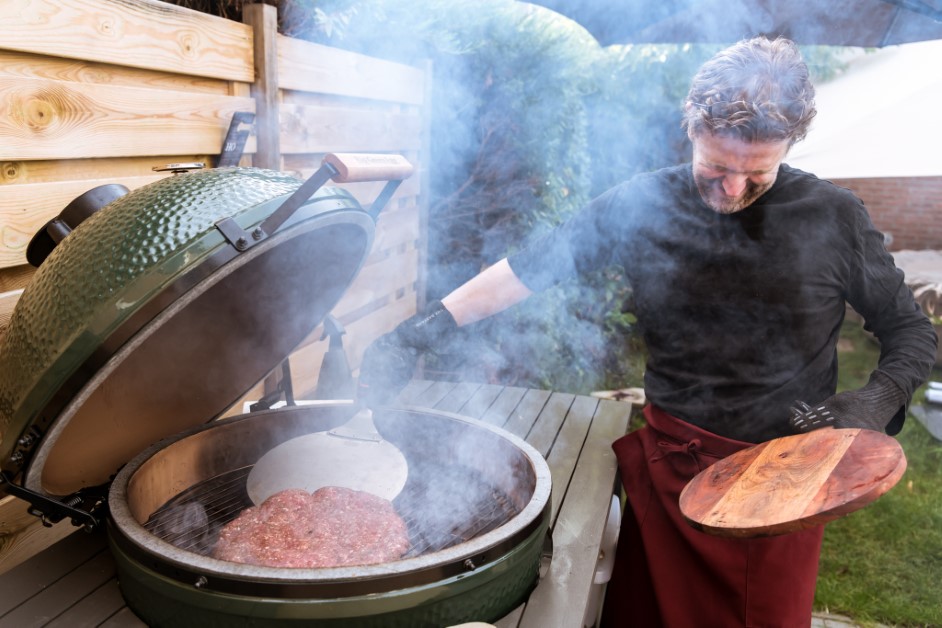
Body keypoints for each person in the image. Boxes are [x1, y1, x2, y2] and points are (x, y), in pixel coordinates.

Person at [357, 37, 938, 627]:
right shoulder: (642, 203)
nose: (731, 190)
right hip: (670, 473)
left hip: (779, 484)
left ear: (791, 145)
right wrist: (421, 330)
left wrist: (877, 399)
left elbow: (913, 332)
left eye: (756, 172)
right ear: (691, 129)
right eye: (715, 166)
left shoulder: (834, 216)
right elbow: (533, 265)